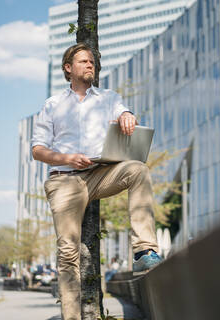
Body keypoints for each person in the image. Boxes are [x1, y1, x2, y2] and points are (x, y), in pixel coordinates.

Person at [31, 42, 162, 320]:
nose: (90, 64)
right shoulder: (52, 104)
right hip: (64, 180)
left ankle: (144, 251)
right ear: (68, 68)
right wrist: (67, 158)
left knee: (138, 169)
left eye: (92, 61)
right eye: (83, 61)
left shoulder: (108, 98)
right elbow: (37, 150)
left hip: (100, 173)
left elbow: (124, 113)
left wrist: (127, 115)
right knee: (68, 253)